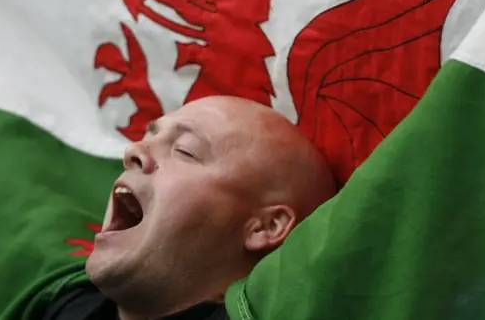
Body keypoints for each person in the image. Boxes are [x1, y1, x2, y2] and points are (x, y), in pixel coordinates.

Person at [42, 95, 337, 320]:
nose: (133, 151)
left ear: (266, 226)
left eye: (184, 150)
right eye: (148, 137)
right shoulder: (66, 305)